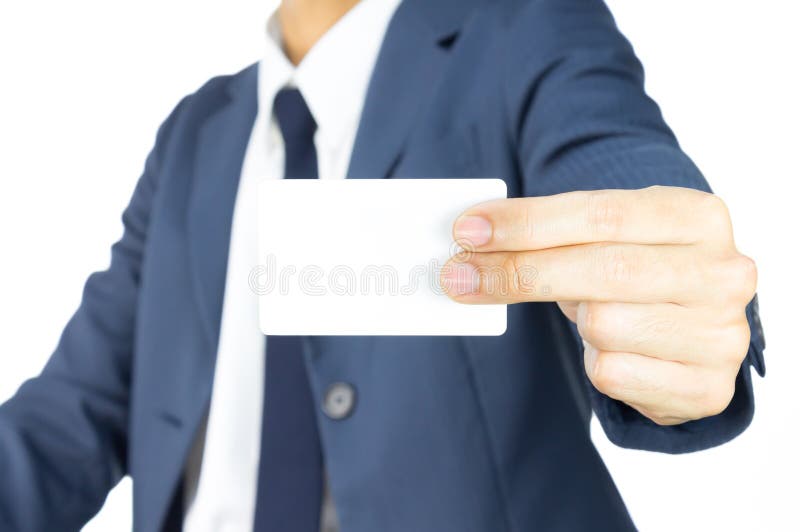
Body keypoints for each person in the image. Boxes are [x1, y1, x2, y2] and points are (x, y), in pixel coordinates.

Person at [0, 0, 766, 531]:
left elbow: (613, 163)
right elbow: (67, 419)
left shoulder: (525, 31)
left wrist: (668, 291)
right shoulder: (193, 133)